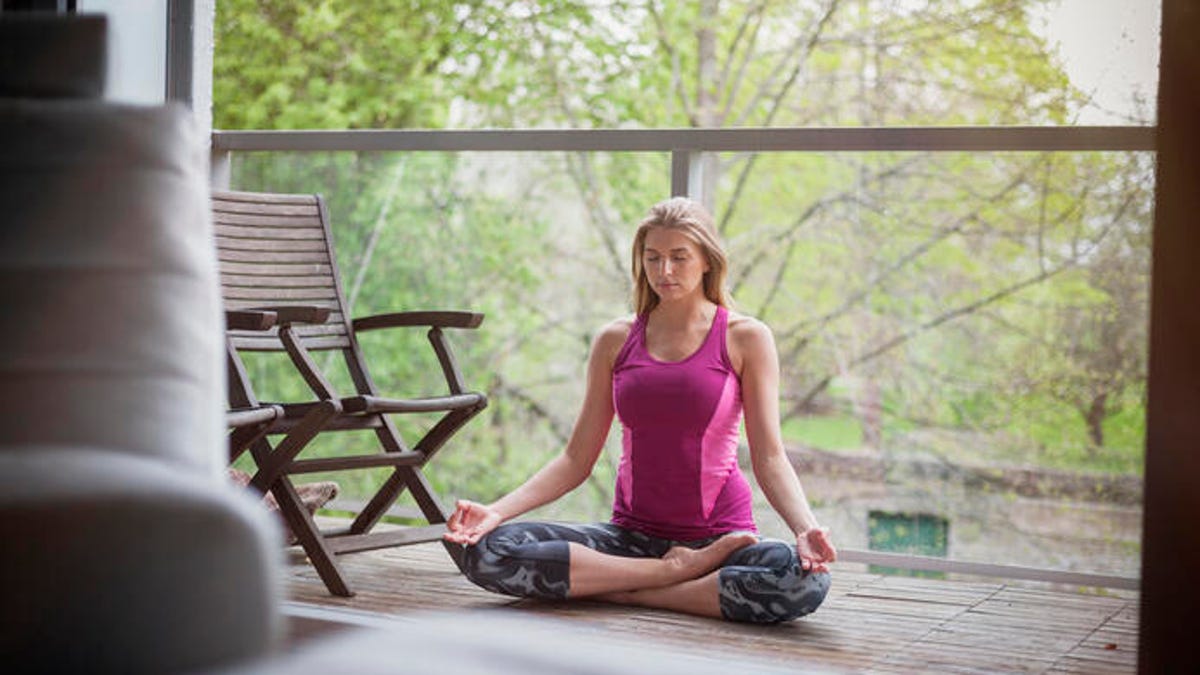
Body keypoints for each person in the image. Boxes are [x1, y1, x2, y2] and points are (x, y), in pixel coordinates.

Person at [444, 197, 836, 624]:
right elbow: (576, 460)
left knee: (803, 579)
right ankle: (668, 577)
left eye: (679, 257)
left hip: (720, 544)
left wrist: (804, 529)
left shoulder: (746, 338)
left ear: (707, 260)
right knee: (487, 551)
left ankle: (629, 591)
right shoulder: (615, 338)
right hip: (626, 541)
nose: (664, 271)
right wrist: (497, 511)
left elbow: (770, 457)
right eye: (653, 258)